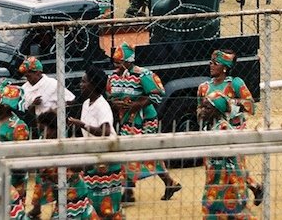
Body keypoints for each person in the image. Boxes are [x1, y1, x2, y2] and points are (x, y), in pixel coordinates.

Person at [107, 42, 181, 203]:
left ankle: (128, 191)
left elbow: (157, 94)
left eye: (119, 63)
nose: (116, 66)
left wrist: (136, 105)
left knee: (133, 153)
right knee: (139, 154)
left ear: (128, 62)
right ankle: (168, 182)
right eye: (114, 63)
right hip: (127, 119)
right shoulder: (113, 77)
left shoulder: (143, 75)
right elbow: (110, 96)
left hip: (145, 119)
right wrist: (116, 104)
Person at [68, 65, 124, 219]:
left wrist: (81, 124)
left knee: (106, 205)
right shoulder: (87, 103)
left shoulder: (102, 105)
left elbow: (105, 132)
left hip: (106, 159)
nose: (81, 85)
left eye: (84, 82)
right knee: (93, 200)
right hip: (94, 157)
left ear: (93, 85)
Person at [197, 90, 252, 218]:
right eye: (202, 106)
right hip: (214, 180)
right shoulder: (209, 127)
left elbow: (235, 160)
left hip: (228, 182)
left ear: (217, 110)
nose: (202, 110)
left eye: (207, 107)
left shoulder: (223, 128)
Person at [19, 56, 75, 121]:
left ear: (38, 72)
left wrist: (58, 109)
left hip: (54, 122)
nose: (28, 79)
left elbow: (71, 100)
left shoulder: (52, 83)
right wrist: (33, 105)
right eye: (26, 76)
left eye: (29, 76)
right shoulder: (24, 88)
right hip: (35, 123)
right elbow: (23, 111)